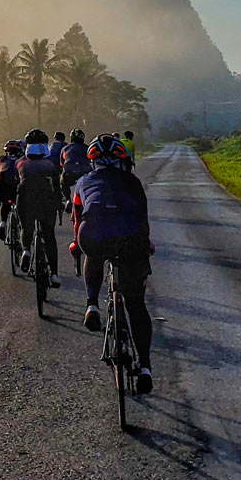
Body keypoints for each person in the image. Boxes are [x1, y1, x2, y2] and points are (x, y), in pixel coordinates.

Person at [69, 133, 154, 394]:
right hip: (132, 240)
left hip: (93, 236)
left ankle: (92, 304)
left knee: (93, 255)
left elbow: (77, 217)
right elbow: (142, 216)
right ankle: (145, 366)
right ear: (123, 160)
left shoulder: (83, 181)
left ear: (93, 162)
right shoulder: (133, 182)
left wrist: (76, 245)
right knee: (136, 304)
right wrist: (146, 245)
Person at [17, 128, 62, 287]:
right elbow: (57, 188)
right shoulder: (50, 165)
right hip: (46, 199)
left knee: (26, 227)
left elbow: (17, 182)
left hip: (25, 197)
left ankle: (26, 250)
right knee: (49, 236)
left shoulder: (21, 162)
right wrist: (59, 205)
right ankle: (55, 274)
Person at [0, 139, 23, 240]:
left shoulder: (2, 159)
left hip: (3, 186)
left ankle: (2, 224)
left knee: (4, 203)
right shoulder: (22, 159)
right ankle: (21, 225)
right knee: (20, 204)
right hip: (17, 186)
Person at [59, 128, 90, 203]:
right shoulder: (87, 148)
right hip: (85, 174)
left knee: (63, 181)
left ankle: (67, 199)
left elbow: (61, 164)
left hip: (69, 174)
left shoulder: (65, 148)